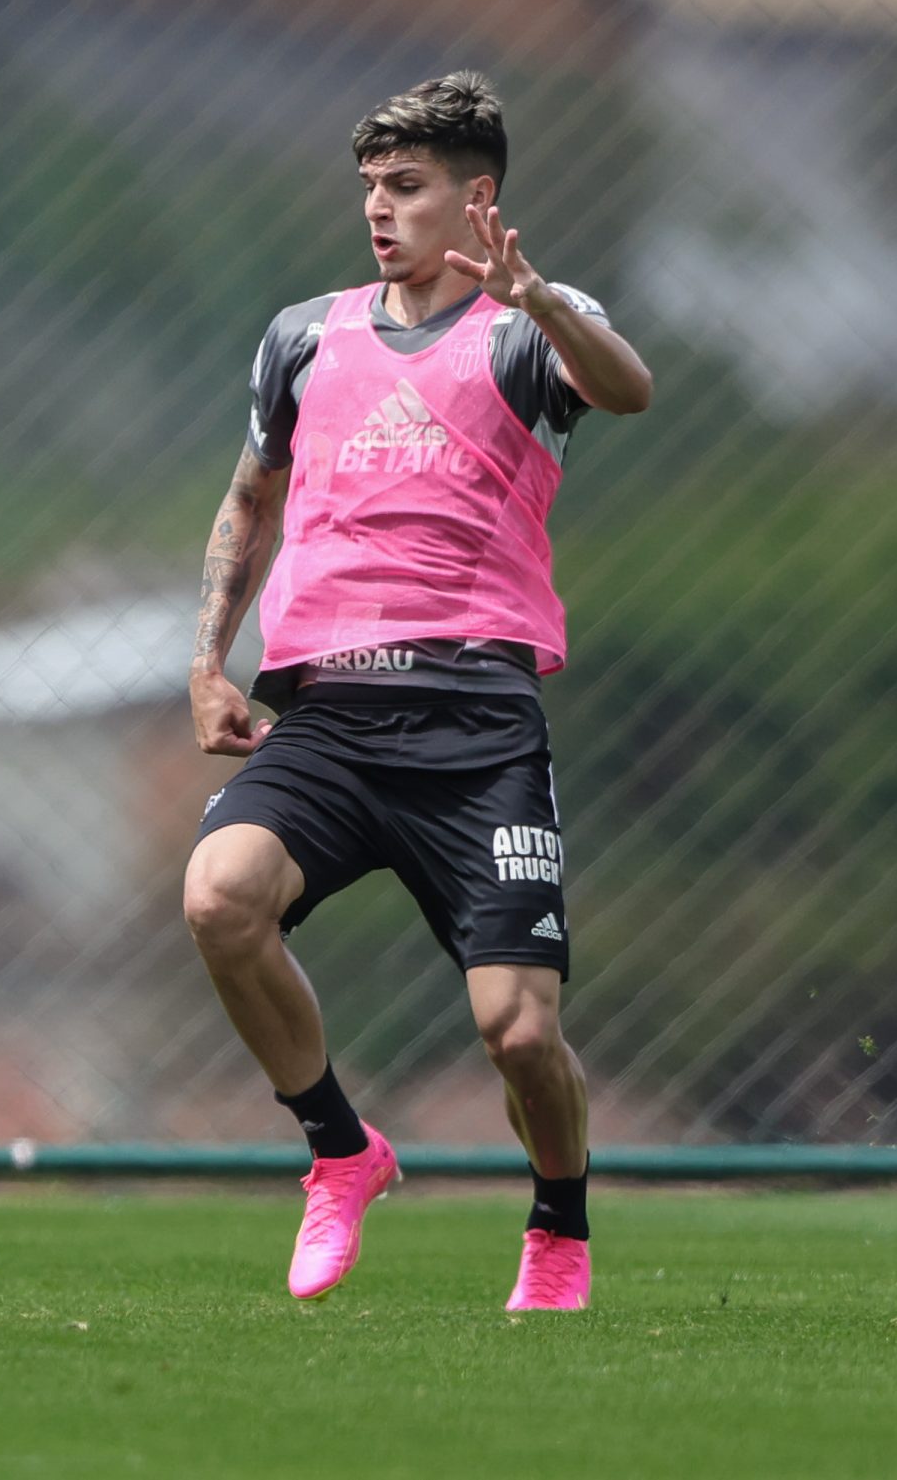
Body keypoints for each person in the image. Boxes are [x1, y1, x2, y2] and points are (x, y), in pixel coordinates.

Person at [181, 73, 652, 1312]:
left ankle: (558, 1224)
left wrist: (539, 297)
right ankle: (340, 1150)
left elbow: (627, 389)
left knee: (517, 1033)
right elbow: (249, 499)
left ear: (474, 196)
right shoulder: (302, 333)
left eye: (406, 187)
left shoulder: (524, 326)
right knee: (219, 900)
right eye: (370, 189)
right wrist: (206, 662)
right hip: (327, 716)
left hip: (476, 727)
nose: (379, 211)